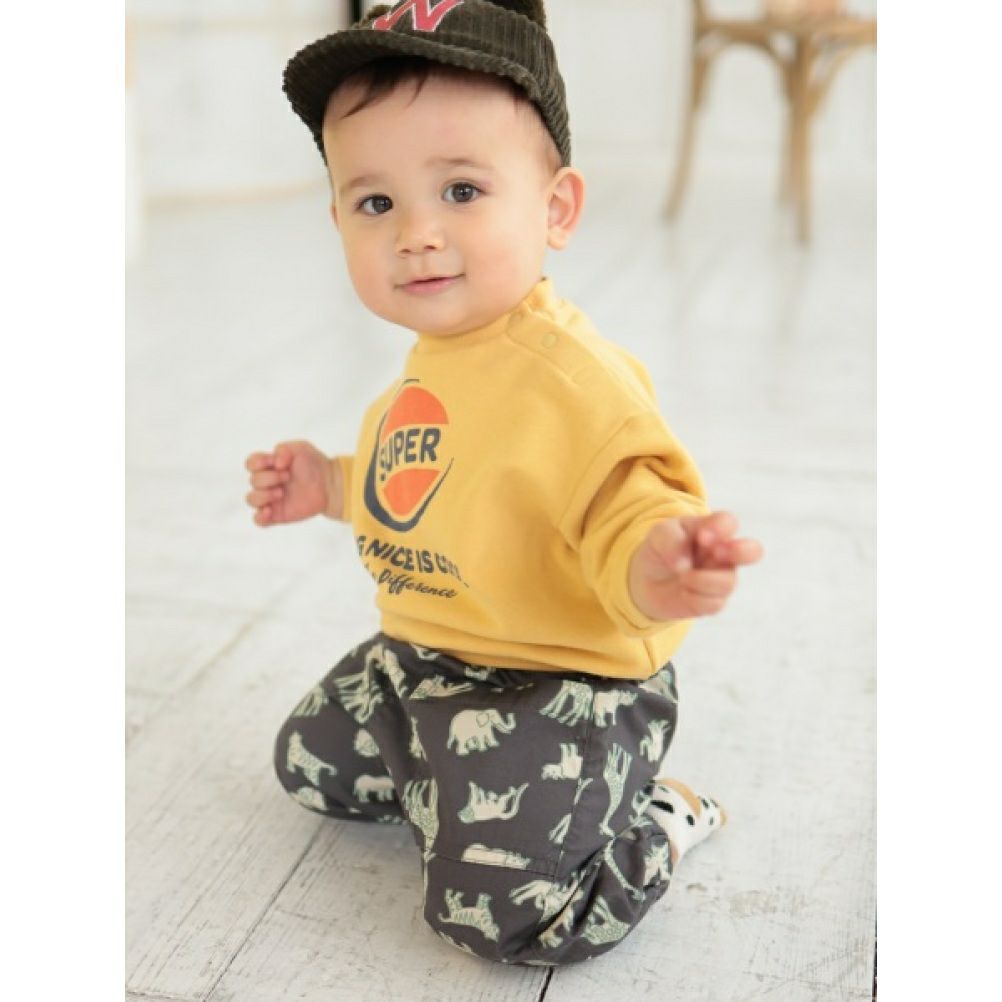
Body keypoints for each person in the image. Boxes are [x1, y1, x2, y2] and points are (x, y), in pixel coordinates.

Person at [244, 0, 763, 966]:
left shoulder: (574, 382)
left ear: (555, 209)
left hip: (556, 684)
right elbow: (429, 489)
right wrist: (330, 484)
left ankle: (654, 814)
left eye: (462, 190)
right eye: (376, 203)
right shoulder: (437, 360)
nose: (416, 233)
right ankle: (460, 795)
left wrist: (657, 562)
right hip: (426, 655)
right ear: (338, 219)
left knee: (499, 918)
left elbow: (631, 501)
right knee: (309, 765)